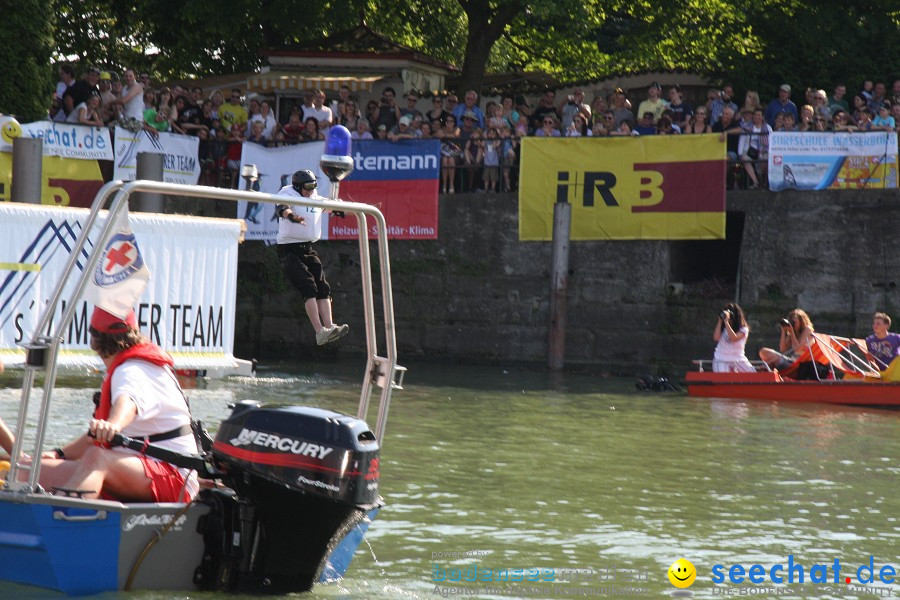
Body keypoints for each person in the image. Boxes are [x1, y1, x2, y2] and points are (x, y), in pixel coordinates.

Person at [0, 307, 199, 502]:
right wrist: (58, 454)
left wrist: (113, 424)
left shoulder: (132, 370)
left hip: (174, 478)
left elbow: (129, 402)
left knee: (98, 457)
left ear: (95, 340)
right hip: (142, 471)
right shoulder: (129, 366)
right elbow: (93, 438)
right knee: (26, 470)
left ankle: (62, 521)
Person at [275, 170, 348, 345]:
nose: (311, 190)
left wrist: (361, 209)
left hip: (307, 248)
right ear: (298, 186)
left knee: (323, 287)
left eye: (314, 186)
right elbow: (283, 209)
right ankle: (319, 331)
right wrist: (292, 217)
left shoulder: (315, 198)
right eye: (308, 187)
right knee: (309, 286)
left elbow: (335, 209)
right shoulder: (287, 193)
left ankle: (330, 327)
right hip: (289, 249)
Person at [712, 303, 755, 373]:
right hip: (721, 358)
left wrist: (726, 322)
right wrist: (720, 321)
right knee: (722, 379)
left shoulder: (743, 329)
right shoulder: (723, 328)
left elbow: (734, 338)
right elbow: (716, 338)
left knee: (753, 375)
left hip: (737, 357)